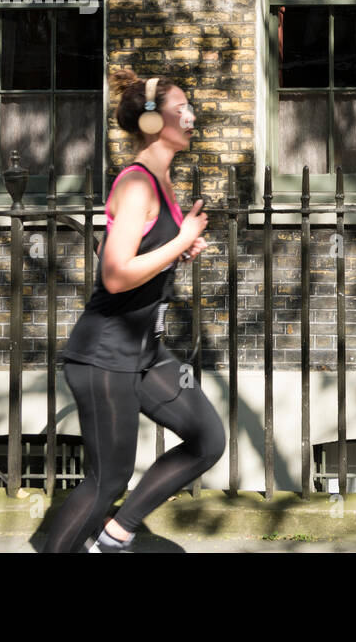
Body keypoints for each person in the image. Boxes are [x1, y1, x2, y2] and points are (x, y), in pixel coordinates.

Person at [41, 68, 225, 553]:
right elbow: (116, 274)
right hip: (104, 354)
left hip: (144, 353)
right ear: (151, 122)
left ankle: (114, 535)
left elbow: (142, 255)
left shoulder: (161, 182)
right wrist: (180, 239)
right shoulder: (139, 183)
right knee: (108, 478)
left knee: (206, 439)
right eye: (180, 106)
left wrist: (176, 248)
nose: (191, 114)